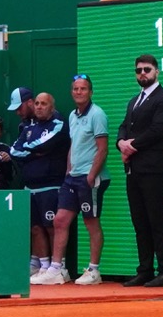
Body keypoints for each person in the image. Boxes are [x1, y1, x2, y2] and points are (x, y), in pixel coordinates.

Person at [33, 74, 111, 286]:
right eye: (76, 89)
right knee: (60, 220)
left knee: (91, 222)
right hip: (72, 177)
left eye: (83, 89)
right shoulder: (72, 115)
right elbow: (73, 145)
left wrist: (91, 175)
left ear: (90, 92)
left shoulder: (97, 114)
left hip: (90, 177)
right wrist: (69, 170)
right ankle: (57, 269)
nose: (79, 92)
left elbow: (102, 149)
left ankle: (94, 271)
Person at [117, 54, 163, 287]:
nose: (142, 73)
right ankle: (145, 269)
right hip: (133, 169)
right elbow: (124, 126)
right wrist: (120, 143)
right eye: (139, 70)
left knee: (157, 218)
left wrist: (131, 145)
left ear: (156, 71)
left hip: (154, 168)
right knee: (139, 221)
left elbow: (158, 130)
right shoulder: (134, 100)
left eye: (147, 69)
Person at [12, 92, 71, 284]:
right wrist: (34, 152)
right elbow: (14, 150)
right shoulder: (29, 127)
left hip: (51, 186)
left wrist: (28, 149)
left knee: (51, 227)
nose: (39, 107)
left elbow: (47, 144)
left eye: (43, 104)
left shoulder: (58, 124)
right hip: (30, 187)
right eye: (37, 103)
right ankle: (44, 266)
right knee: (36, 228)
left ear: (51, 107)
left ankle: (59, 268)